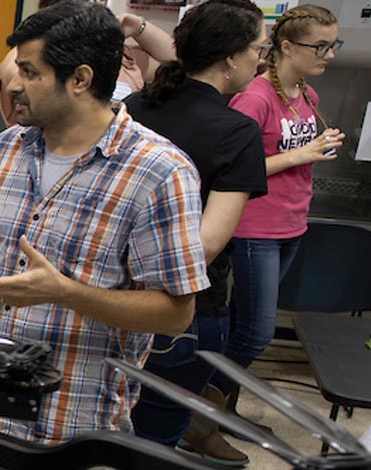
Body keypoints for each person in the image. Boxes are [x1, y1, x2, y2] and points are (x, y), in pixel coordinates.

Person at [0, 1, 207, 448]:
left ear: (80, 79)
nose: (13, 84)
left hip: (71, 429)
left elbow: (177, 314)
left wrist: (67, 293)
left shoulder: (158, 172)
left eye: (30, 73)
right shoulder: (5, 149)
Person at [121, 1, 270, 464]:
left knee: (105, 425)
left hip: (107, 294)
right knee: (155, 438)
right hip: (180, 309)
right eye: (257, 50)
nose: (260, 61)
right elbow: (204, 246)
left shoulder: (134, 107)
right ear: (230, 58)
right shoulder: (237, 131)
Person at [215, 0, 344, 447]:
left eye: (332, 46)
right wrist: (301, 155)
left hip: (292, 221)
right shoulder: (254, 97)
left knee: (243, 325)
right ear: (286, 46)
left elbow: (295, 156)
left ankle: (220, 411)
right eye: (321, 47)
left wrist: (318, 146)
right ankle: (201, 407)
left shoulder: (307, 93)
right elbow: (234, 164)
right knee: (255, 332)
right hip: (257, 227)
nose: (329, 56)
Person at [0, 0, 176, 126]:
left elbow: (178, 62)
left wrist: (137, 27)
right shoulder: (32, 55)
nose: (96, 4)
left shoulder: (122, 56)